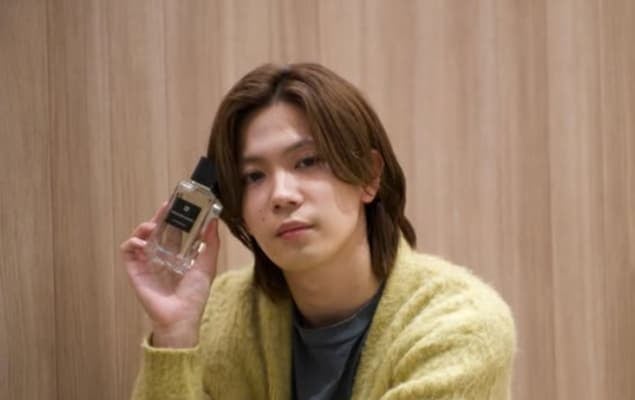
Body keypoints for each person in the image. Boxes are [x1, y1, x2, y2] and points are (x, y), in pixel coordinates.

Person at [121, 63, 516, 400]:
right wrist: (175, 333)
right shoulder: (220, 314)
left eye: (307, 161)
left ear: (369, 176)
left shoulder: (461, 325)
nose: (281, 195)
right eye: (254, 176)